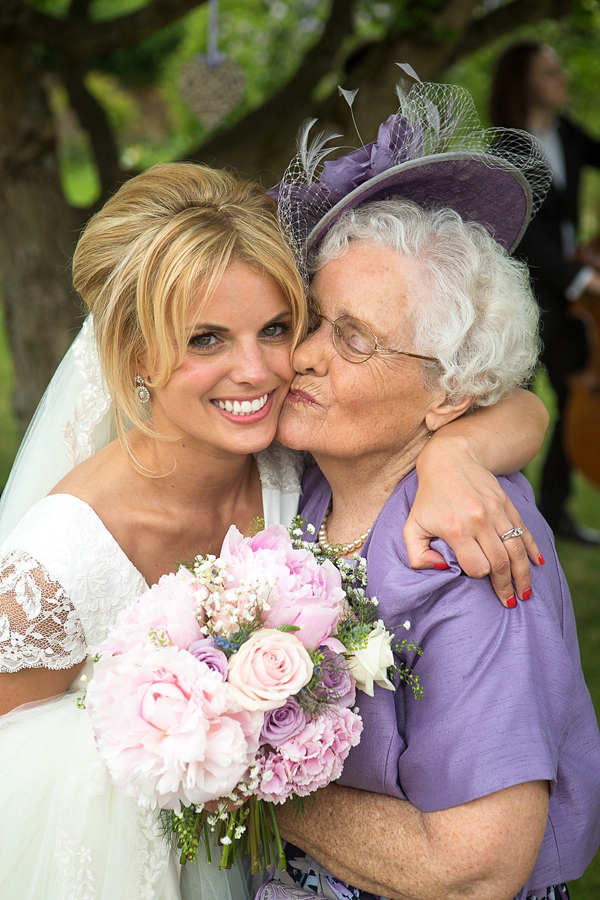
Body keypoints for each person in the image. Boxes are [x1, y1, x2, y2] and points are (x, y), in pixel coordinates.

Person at [0, 158, 547, 900]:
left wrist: (459, 452)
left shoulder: (292, 448)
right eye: (206, 341)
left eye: (279, 328)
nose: (259, 370)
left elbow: (506, 401)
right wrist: (172, 742)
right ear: (135, 359)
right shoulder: (60, 562)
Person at [263, 76, 600, 900]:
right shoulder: (301, 476)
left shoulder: (476, 556)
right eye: (308, 317)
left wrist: (236, 772)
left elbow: (474, 869)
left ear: (451, 393)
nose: (303, 355)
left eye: (353, 338)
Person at [490, 40, 600, 545]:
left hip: (569, 298)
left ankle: (554, 512)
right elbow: (525, 230)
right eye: (550, 71)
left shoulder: (567, 133)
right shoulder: (507, 146)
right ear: (524, 80)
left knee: (578, 390)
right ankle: (512, 515)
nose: (562, 78)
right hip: (524, 293)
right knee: (513, 403)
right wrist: (579, 278)